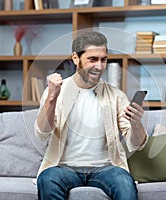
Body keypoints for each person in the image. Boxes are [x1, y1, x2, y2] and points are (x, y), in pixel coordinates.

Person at [35, 31, 148, 200]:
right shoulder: (56, 91)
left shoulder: (116, 96)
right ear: (75, 58)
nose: (100, 66)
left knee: (125, 182)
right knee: (48, 178)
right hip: (64, 168)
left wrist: (136, 123)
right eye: (93, 59)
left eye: (104, 59)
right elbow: (42, 134)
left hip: (106, 168)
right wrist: (51, 98)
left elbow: (136, 144)